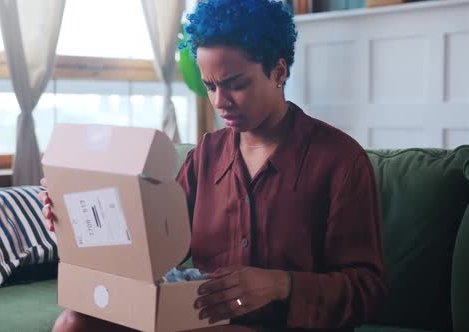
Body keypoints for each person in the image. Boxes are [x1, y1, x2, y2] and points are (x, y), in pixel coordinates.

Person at [39, 0, 387, 331]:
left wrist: (281, 285)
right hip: (206, 320)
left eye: (236, 85)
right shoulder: (205, 156)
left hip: (285, 325)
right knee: (74, 324)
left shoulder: (340, 161)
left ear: (278, 71)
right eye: (210, 86)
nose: (221, 102)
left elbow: (367, 292)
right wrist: (77, 223)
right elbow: (155, 243)